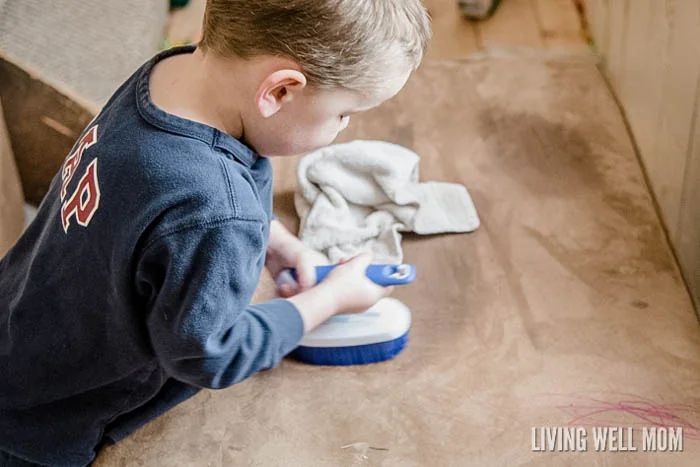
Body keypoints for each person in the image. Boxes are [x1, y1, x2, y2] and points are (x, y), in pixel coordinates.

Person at [0, 0, 431, 465]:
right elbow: (209, 356)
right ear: (281, 91)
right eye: (345, 114)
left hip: (17, 320)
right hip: (42, 425)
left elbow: (156, 199)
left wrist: (272, 238)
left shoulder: (169, 74)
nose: (344, 128)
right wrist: (328, 301)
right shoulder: (217, 211)